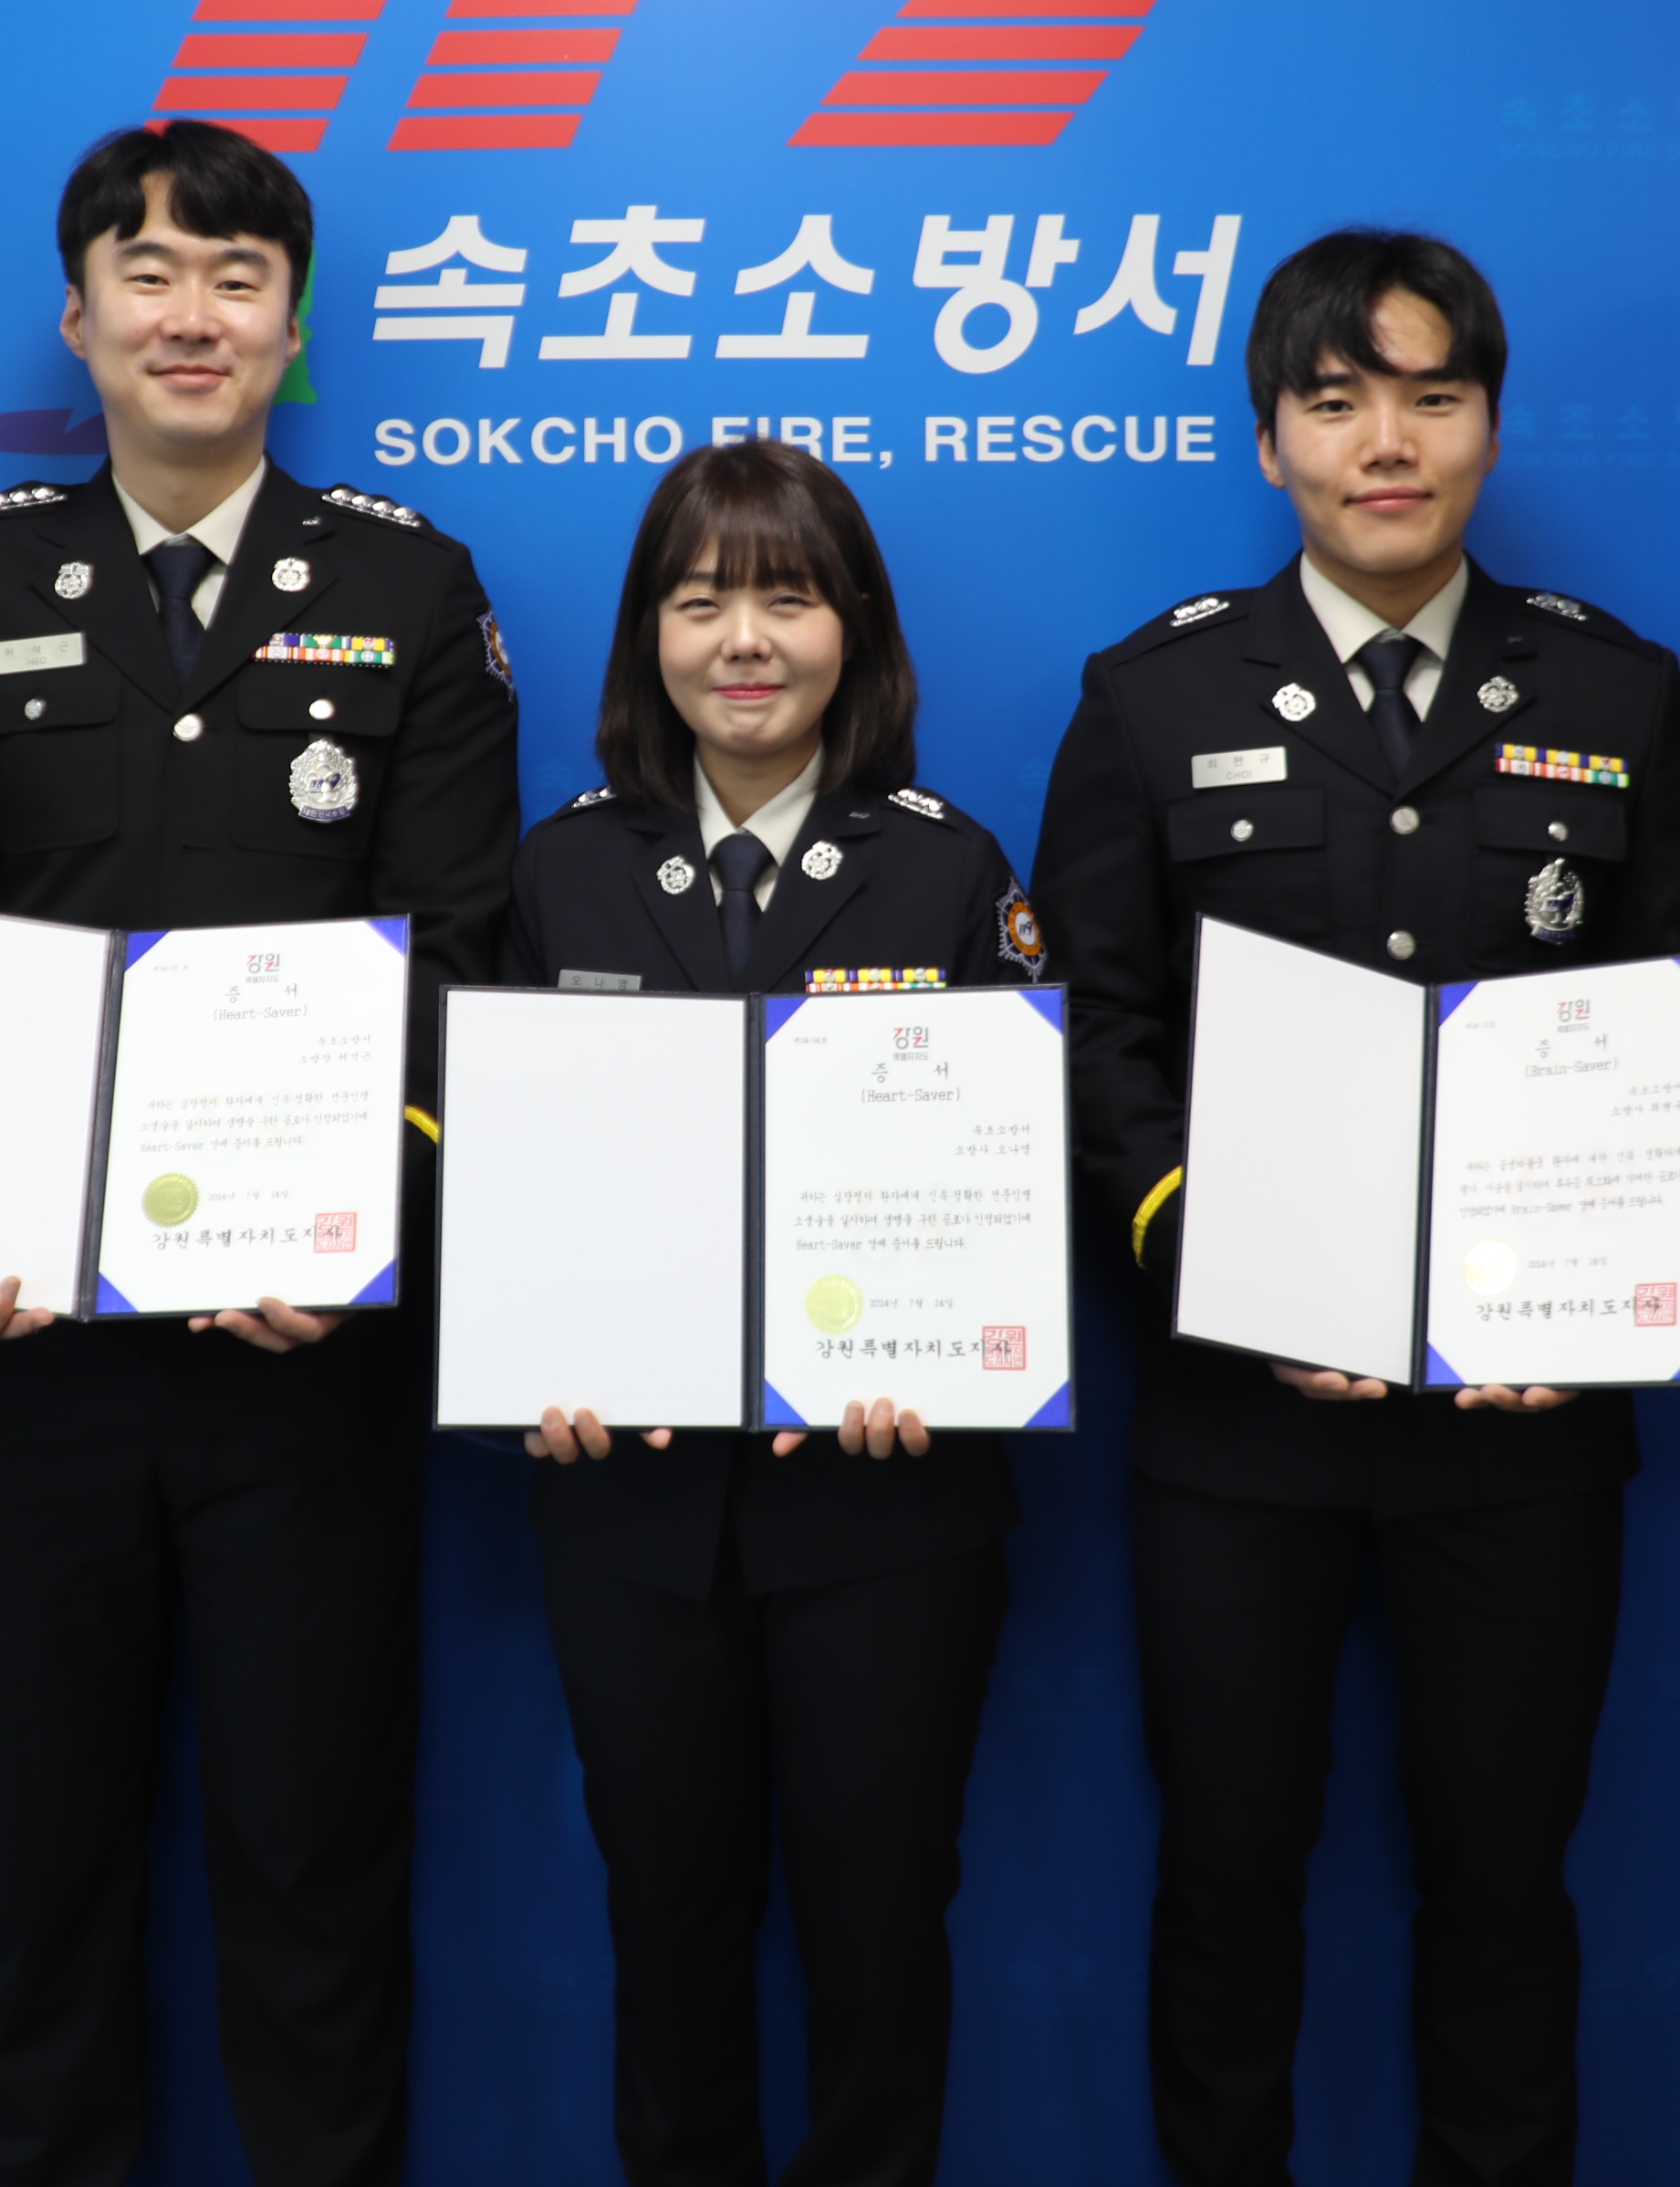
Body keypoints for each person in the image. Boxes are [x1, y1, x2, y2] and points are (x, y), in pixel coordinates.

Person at [0, 119, 518, 2187]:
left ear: (294, 329)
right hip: (24, 1350)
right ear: (79, 320)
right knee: (41, 1874)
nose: (191, 314)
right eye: (147, 274)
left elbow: (460, 955)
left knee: (317, 1866)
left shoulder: (407, 587)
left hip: (303, 1354)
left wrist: (356, 1219)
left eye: (236, 278)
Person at [1028, 227, 1680, 2187]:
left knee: (1504, 1891)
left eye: (1431, 396)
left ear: (1491, 423)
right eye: (1336, 403)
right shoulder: (1152, 695)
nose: (1386, 444)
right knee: (1227, 1883)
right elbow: (1095, 1030)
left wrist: (1594, 1295)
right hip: (1237, 1429)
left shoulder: (1620, 692)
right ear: (1272, 442)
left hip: (1525, 1432)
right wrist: (1217, 1262)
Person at [501, 440, 1042, 2187]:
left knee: (881, 1928)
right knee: (665, 1930)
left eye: (789, 599)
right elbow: (503, 1183)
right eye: (700, 600)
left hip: (889, 1508)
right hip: (631, 1510)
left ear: (854, 633)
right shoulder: (561, 872)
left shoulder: (951, 871)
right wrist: (530, 1367)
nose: (744, 641)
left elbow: (1015, 1192)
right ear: (646, 636)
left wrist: (936, 1359)